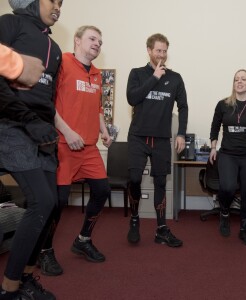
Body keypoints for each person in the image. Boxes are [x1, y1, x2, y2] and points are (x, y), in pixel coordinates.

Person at [0, 0, 63, 299]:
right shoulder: (9, 24)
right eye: (54, 1)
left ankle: (26, 278)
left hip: (42, 132)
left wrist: (49, 127)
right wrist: (27, 119)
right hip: (11, 124)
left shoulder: (57, 49)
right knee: (40, 200)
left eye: (62, 3)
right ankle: (9, 289)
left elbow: (48, 95)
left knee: (52, 205)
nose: (58, 7)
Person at [37, 25, 112, 276]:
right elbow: (47, 101)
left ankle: (83, 239)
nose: (97, 44)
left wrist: (104, 131)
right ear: (77, 41)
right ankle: (44, 250)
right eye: (92, 39)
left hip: (89, 147)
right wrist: (67, 132)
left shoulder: (98, 75)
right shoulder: (63, 63)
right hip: (63, 144)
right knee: (58, 201)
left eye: (100, 42)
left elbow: (97, 109)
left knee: (102, 191)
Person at [126, 33, 188, 247]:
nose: (161, 54)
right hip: (138, 137)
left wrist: (181, 133)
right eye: (158, 50)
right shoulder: (137, 74)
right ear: (149, 51)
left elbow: (183, 107)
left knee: (161, 182)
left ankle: (161, 228)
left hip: (161, 139)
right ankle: (135, 219)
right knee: (134, 179)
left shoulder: (176, 78)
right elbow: (132, 98)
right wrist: (154, 77)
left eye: (164, 51)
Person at [209, 69, 246, 246]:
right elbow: (214, 127)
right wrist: (213, 147)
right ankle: (225, 212)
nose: (239, 82)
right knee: (227, 188)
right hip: (227, 154)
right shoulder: (223, 104)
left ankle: (244, 230)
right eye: (236, 79)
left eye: (243, 79)